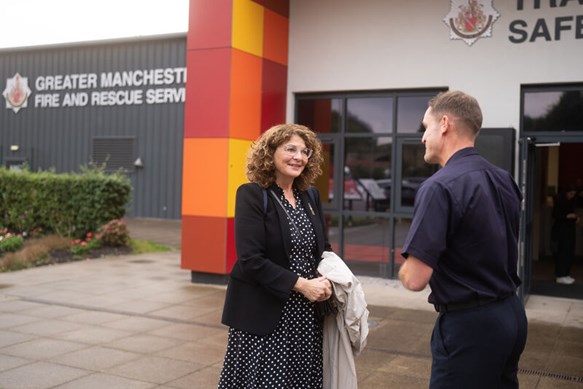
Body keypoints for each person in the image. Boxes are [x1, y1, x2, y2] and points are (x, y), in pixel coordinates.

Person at [398, 91, 528, 388]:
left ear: (444, 124)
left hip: (471, 327)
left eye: (425, 127)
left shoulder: (439, 186)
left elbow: (416, 279)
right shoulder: (504, 178)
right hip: (511, 315)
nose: (422, 138)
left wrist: (404, 270)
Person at [218, 123, 333, 388]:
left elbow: (323, 248)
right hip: (264, 311)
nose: (299, 157)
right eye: (290, 149)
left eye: (305, 152)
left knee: (301, 380)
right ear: (270, 153)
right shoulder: (252, 194)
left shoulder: (310, 195)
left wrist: (326, 280)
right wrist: (302, 284)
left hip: (305, 313)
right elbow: (250, 259)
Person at [551, 184, 580, 285]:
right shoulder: (560, 200)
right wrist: (568, 216)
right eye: (571, 194)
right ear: (567, 192)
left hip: (569, 231)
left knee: (569, 252)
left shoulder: (570, 201)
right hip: (562, 232)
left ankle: (566, 273)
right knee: (562, 252)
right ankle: (560, 274)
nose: (572, 196)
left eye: (574, 194)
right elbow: (556, 215)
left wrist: (575, 217)